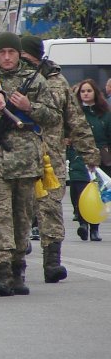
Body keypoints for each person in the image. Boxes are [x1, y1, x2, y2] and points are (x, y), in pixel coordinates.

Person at [0, 32, 58, 296]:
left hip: (27, 161)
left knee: (22, 217)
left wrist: (29, 106)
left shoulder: (35, 80)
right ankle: (2, 271)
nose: (7, 57)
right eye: (2, 53)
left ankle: (18, 269)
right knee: (1, 216)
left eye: (12, 52)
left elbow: (53, 117)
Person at [20, 35, 99, 280]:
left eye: (25, 56)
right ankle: (13, 265)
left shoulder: (57, 82)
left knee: (50, 209)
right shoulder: (15, 80)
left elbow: (75, 120)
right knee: (19, 211)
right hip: (19, 157)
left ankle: (52, 261)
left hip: (50, 159)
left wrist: (90, 153)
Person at [69, 79, 111, 242]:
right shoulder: (74, 113)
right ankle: (82, 223)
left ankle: (95, 228)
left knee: (98, 192)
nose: (85, 94)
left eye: (88, 91)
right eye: (82, 91)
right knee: (79, 190)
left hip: (101, 157)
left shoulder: (105, 114)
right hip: (79, 156)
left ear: (95, 93)